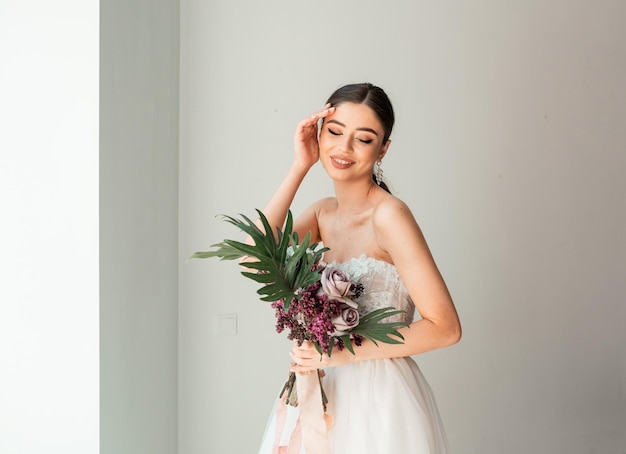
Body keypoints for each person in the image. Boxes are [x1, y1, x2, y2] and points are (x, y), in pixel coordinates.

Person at [256, 83, 461, 454]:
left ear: (383, 149)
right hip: (321, 390)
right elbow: (254, 257)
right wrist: (300, 165)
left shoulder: (390, 216)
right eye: (335, 132)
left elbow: (445, 328)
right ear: (319, 134)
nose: (344, 148)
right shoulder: (321, 213)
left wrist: (341, 353)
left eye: (363, 139)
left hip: (378, 399)